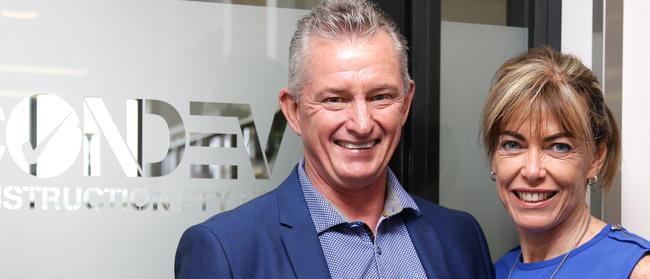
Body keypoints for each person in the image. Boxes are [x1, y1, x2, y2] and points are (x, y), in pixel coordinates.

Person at [175, 0, 494, 278]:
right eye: (335, 99)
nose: (361, 123)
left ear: (406, 103)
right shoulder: (228, 251)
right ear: (293, 111)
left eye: (380, 96)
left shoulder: (461, 239)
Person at [482, 47, 650, 278]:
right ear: (493, 156)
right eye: (513, 145)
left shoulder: (638, 271)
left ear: (596, 158)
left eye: (559, 147)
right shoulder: (493, 272)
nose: (532, 171)